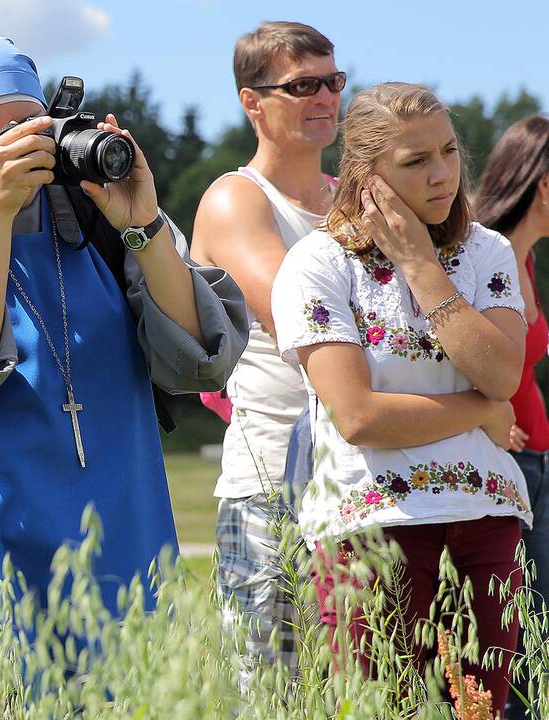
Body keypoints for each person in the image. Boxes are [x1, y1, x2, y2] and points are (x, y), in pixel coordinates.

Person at [0, 33, 248, 691]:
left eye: (24, 126)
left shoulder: (102, 220)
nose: (12, 148)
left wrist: (145, 224)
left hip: (117, 521)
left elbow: (204, 363)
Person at [271, 82, 532, 715]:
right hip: (369, 529)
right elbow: (359, 417)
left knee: (482, 710)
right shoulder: (316, 264)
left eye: (448, 151)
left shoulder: (486, 252)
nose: (443, 175)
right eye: (416, 162)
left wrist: (421, 267)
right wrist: (477, 413)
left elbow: (502, 375)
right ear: (366, 178)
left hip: (486, 518)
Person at [188, 20, 342, 682]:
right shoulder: (236, 199)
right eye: (302, 85)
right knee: (273, 695)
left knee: (364, 688)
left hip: (361, 480)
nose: (325, 98)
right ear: (253, 102)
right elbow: (302, 318)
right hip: (271, 486)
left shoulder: (350, 201)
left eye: (333, 82)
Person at [475, 115, 549, 720]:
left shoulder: (520, 260)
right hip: (507, 468)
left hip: (537, 465)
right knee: (516, 639)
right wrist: (483, 417)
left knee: (539, 633)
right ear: (544, 185)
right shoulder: (479, 251)